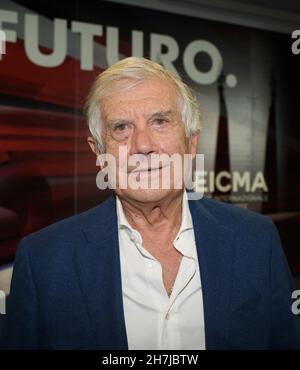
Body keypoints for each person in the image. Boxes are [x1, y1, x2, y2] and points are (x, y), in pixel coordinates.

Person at [1, 57, 299, 350]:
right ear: (97, 151)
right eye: (121, 128)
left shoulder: (256, 239)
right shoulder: (44, 260)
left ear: (191, 142)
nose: (143, 146)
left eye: (160, 121)